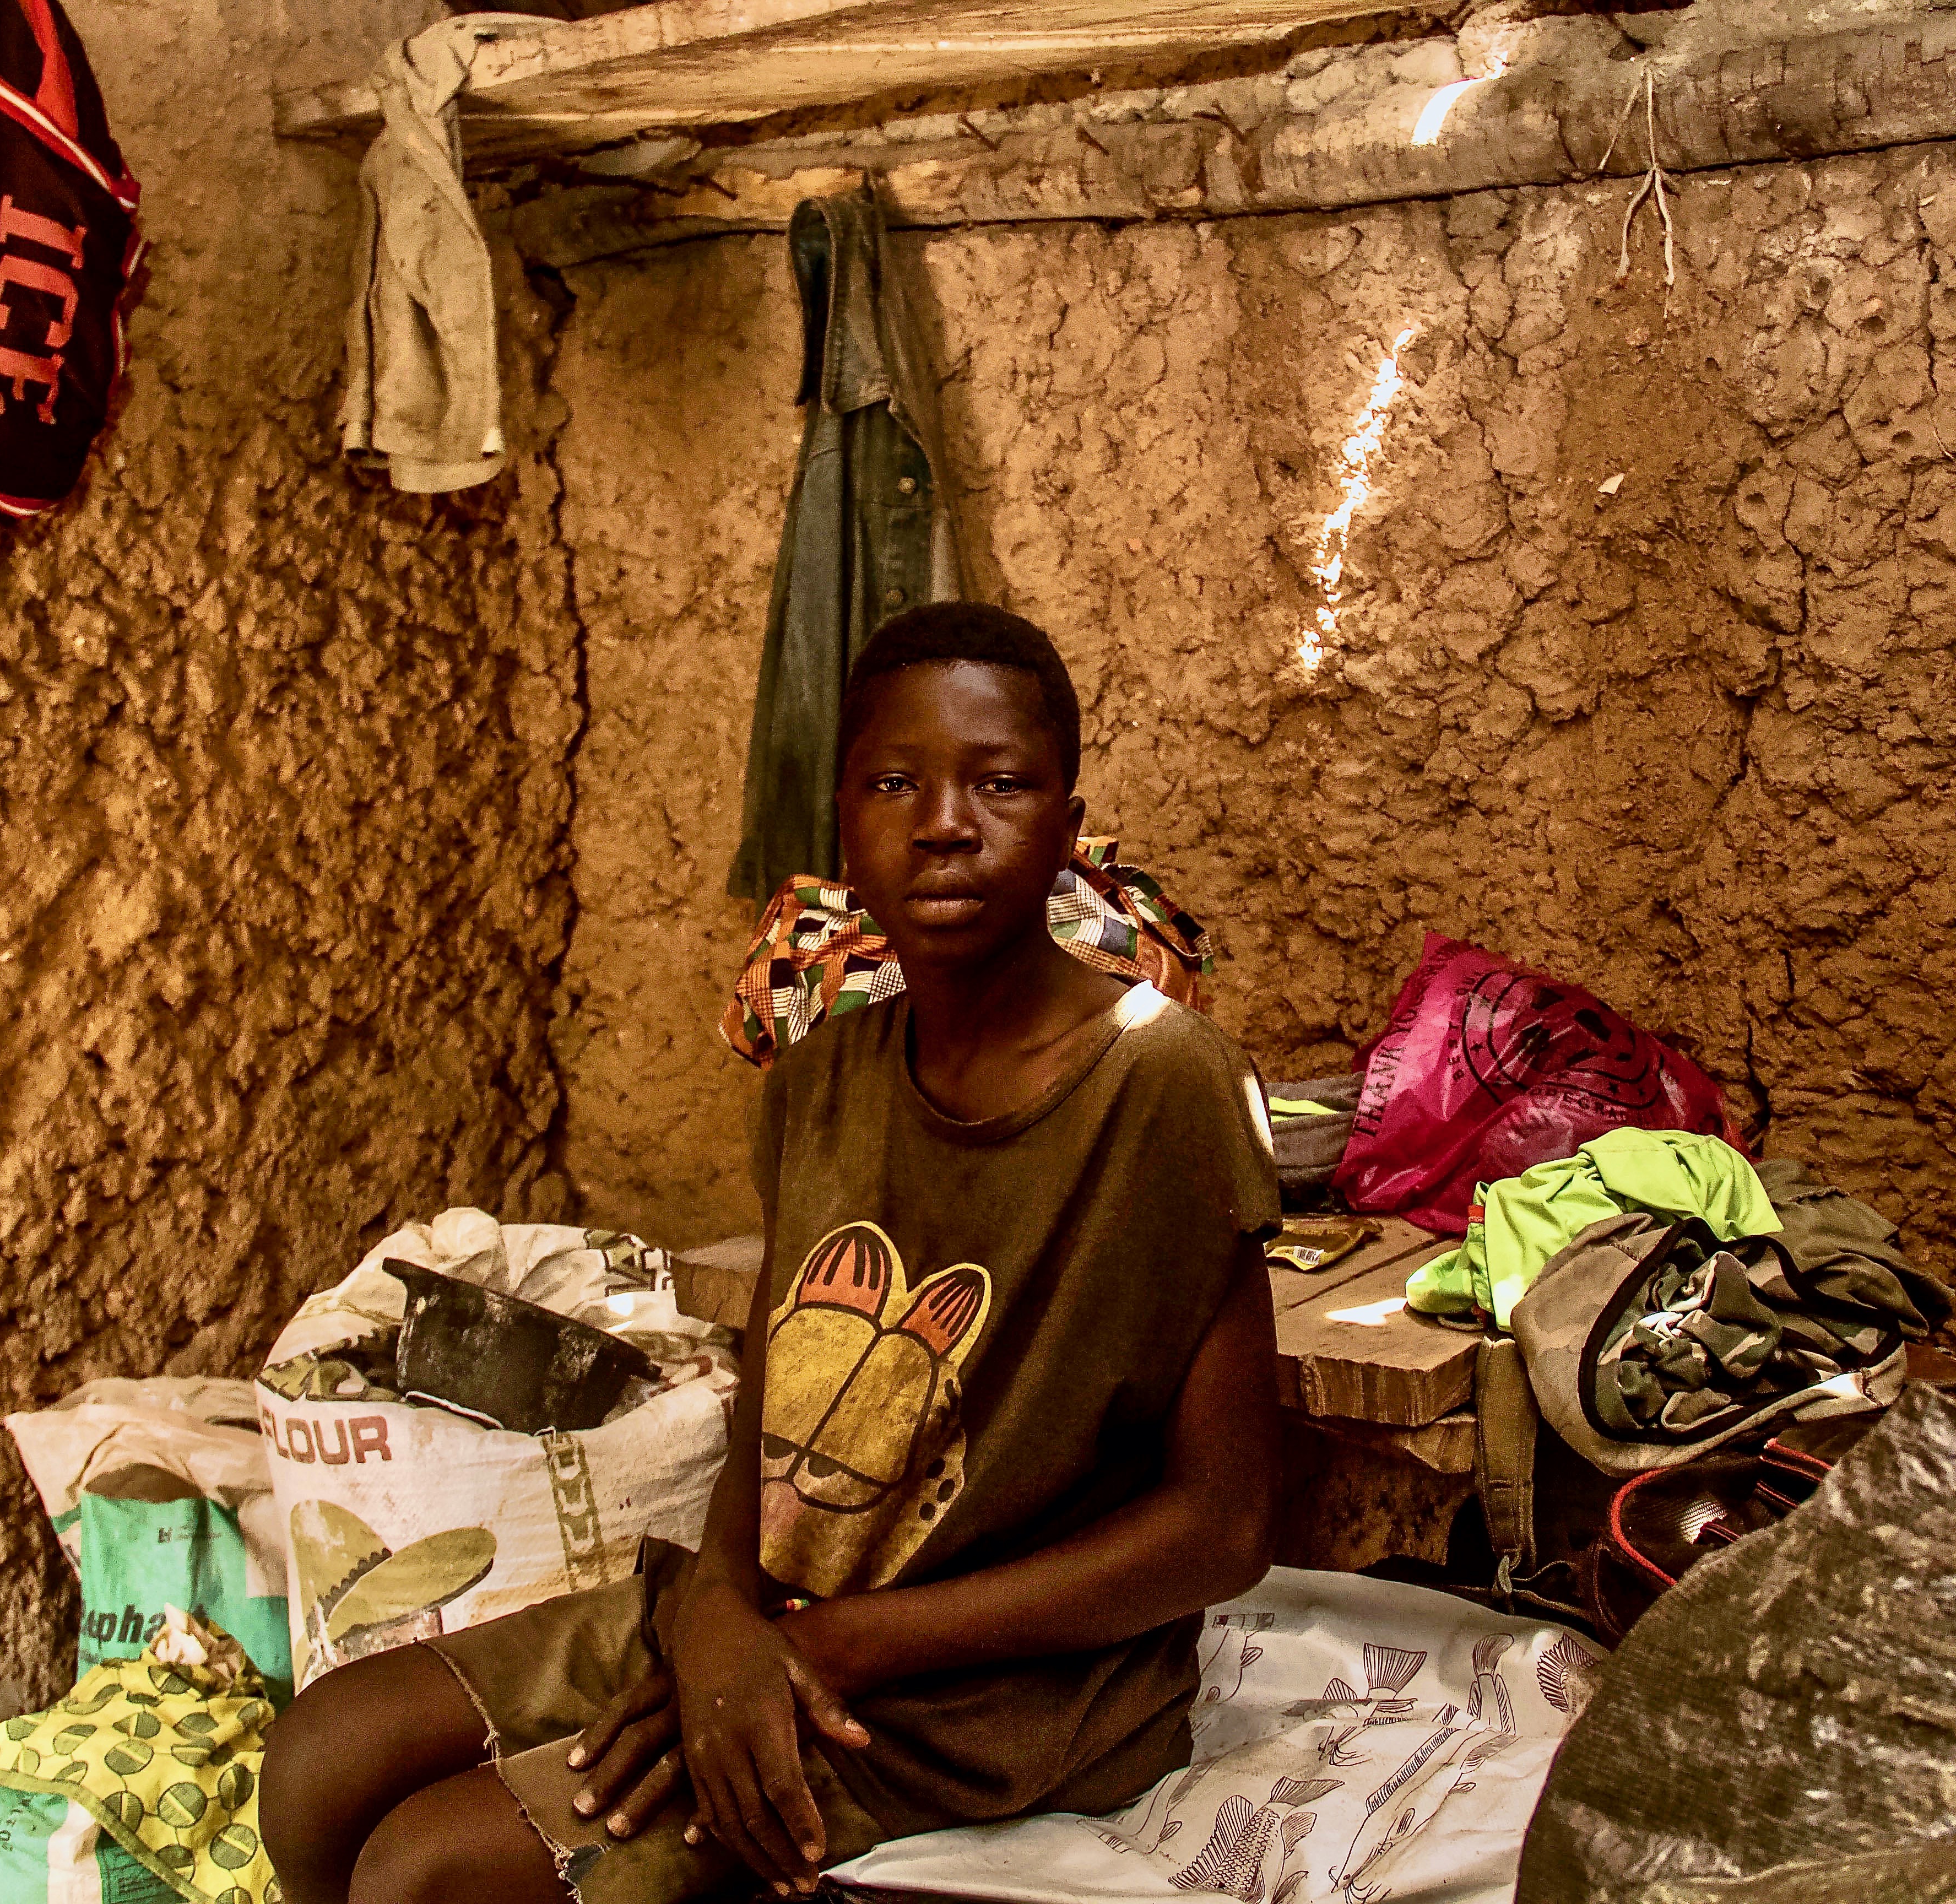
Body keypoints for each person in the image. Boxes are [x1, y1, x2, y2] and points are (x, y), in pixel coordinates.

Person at [261, 602, 1284, 1904]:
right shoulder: (823, 1080)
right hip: (789, 1615)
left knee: (426, 1873)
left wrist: (824, 1651)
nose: (947, 823)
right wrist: (718, 1618)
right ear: (843, 825)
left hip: (997, 1690)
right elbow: (777, 1399)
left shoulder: (1163, 1082)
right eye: (896, 783)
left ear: (1069, 831)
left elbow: (1225, 1526)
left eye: (1001, 782)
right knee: (317, 1760)